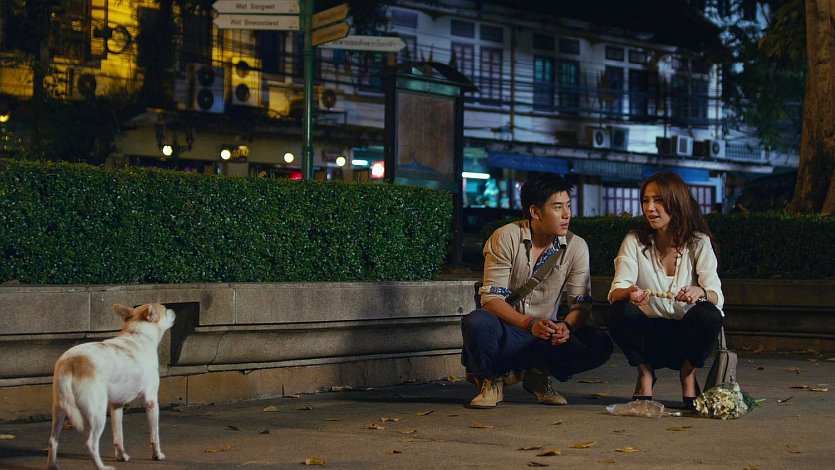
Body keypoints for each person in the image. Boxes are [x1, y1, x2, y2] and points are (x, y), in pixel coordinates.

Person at [461, 173, 613, 408]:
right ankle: (491, 379)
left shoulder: (576, 246)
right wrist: (529, 323)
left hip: (546, 335)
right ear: (535, 211)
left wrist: (566, 327)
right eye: (558, 207)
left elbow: (581, 304)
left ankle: (538, 375)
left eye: (568, 206)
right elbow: (491, 299)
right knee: (477, 322)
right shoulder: (506, 237)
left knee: (598, 342)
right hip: (508, 331)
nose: (567, 214)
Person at [605, 172, 724, 410]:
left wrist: (699, 292)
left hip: (686, 338)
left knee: (709, 314)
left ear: (676, 202)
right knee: (618, 311)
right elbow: (616, 291)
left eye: (658, 200)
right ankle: (645, 374)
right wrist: (630, 292)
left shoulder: (698, 242)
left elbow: (716, 295)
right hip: (648, 336)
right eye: (646, 200)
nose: (650, 208)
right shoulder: (634, 240)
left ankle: (688, 375)